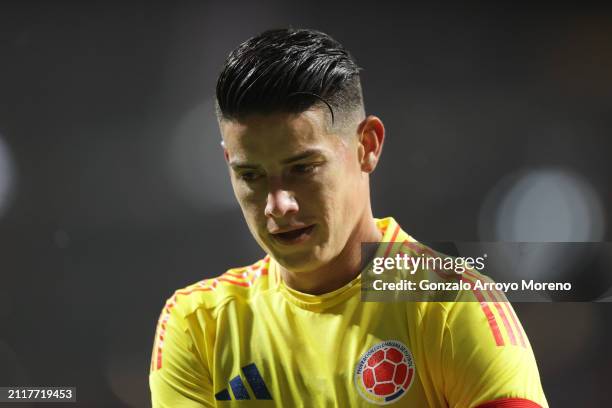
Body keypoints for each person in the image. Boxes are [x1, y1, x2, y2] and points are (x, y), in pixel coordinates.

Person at [149, 28, 548, 407]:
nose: (278, 204)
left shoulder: (452, 307)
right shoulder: (199, 326)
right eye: (250, 175)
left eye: (303, 168)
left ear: (367, 146)